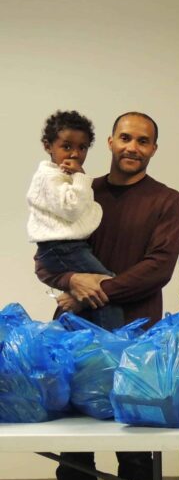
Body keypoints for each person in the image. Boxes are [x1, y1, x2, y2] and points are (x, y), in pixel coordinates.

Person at [36, 112, 179, 480]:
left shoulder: (166, 200)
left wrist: (89, 292)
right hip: (75, 341)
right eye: (125, 137)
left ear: (154, 149)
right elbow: (46, 259)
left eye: (143, 140)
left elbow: (157, 269)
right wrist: (70, 282)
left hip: (136, 337)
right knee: (74, 450)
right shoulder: (80, 189)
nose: (133, 147)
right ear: (111, 142)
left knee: (136, 451)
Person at [27, 110, 122, 327]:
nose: (75, 154)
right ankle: (113, 341)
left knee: (98, 289)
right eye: (67, 146)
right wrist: (80, 177)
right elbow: (72, 209)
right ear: (47, 146)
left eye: (82, 147)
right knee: (106, 287)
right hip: (61, 248)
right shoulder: (48, 177)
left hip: (70, 247)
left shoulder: (64, 176)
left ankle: (90, 336)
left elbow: (82, 208)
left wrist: (78, 178)